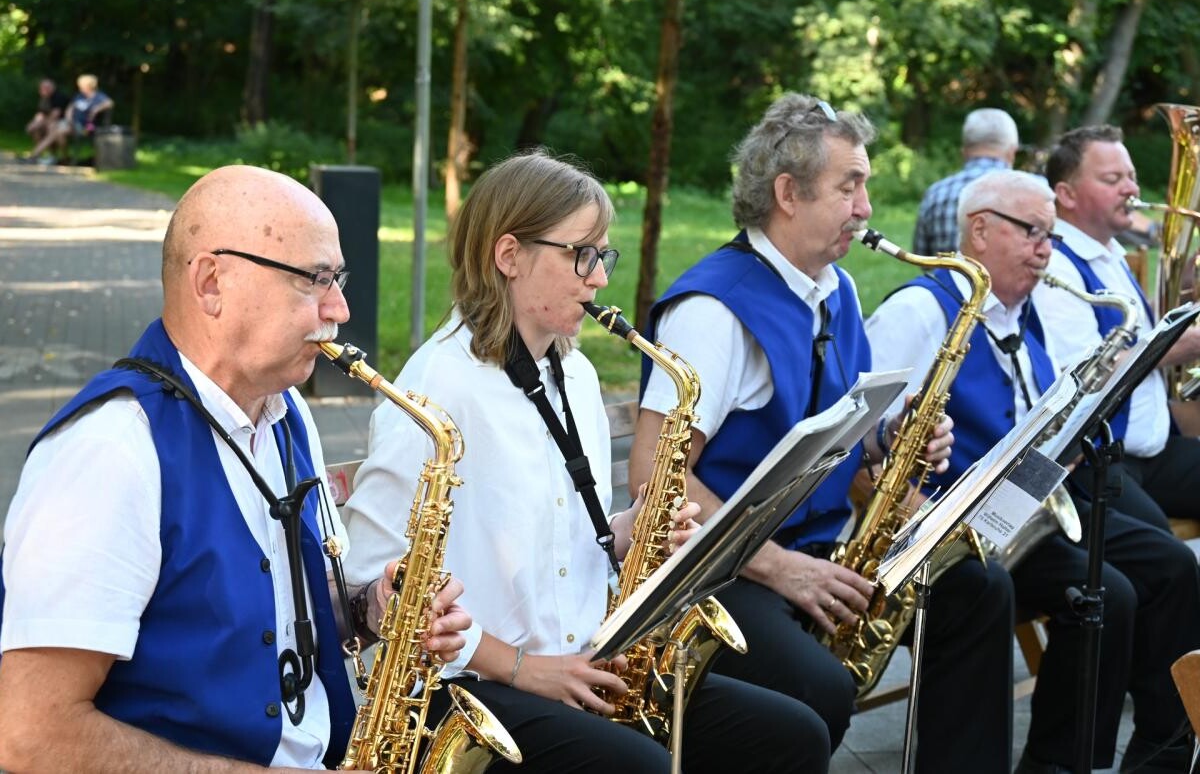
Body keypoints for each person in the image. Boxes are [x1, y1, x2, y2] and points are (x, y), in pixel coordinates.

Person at [341, 150, 824, 773]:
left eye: (603, 256)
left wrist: (631, 532)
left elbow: (568, 533)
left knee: (793, 734)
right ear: (509, 255)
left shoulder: (573, 369)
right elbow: (380, 582)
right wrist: (526, 669)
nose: (599, 280)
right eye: (582, 255)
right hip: (471, 696)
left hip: (575, 661)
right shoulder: (438, 387)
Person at [0, 165, 471, 772]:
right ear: (211, 282)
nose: (342, 308)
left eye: (339, 279)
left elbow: (282, 604)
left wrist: (374, 609)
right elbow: (30, 734)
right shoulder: (110, 449)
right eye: (314, 280)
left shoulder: (284, 410)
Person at [633, 93, 1015, 773]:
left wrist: (891, 442)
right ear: (788, 193)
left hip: (817, 549)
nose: (866, 208)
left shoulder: (833, 288)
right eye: (851, 186)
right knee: (821, 687)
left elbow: (841, 431)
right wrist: (779, 567)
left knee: (977, 589)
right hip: (717, 576)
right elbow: (653, 481)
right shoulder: (711, 312)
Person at [866, 168, 1200, 773]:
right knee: (1100, 593)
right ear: (980, 230)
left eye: (1050, 235)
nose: (1047, 250)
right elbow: (864, 451)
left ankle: (1065, 763)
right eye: (1033, 233)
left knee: (1122, 588)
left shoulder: (1020, 316)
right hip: (941, 531)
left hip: (1017, 515)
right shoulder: (916, 313)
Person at [1033, 123, 1200, 526]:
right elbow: (1085, 374)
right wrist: (1186, 343)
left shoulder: (1110, 252)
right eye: (1113, 179)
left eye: (1132, 177)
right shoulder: (1055, 265)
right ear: (1066, 194)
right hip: (1099, 460)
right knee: (1168, 562)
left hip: (1156, 451)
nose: (1131, 189)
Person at [912, 107, 1019, 256]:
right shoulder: (1039, 191)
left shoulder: (935, 193)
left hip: (943, 279)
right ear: (1012, 152)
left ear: (964, 151)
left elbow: (921, 254)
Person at [28, 73, 114, 164]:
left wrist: (96, 109)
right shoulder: (79, 96)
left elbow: (109, 103)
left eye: (81, 85)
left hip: (88, 127)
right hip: (72, 124)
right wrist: (69, 118)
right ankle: (64, 158)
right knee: (55, 128)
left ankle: (35, 155)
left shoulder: (98, 96)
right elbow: (70, 107)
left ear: (89, 86)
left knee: (57, 131)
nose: (80, 87)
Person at [23, 78, 69, 150]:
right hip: (50, 121)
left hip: (62, 121)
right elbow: (40, 113)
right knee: (35, 130)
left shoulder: (59, 97)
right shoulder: (45, 98)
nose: (43, 90)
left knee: (51, 129)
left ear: (52, 87)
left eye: (46, 88)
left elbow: (55, 115)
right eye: (42, 88)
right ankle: (44, 153)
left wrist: (41, 123)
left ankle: (38, 154)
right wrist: (35, 123)